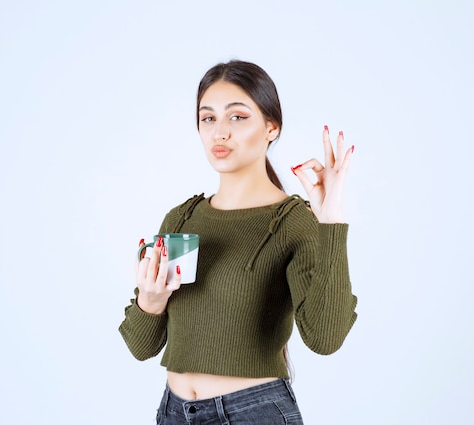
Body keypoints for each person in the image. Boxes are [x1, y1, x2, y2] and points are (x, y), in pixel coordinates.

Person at [119, 60, 358, 424]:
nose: (220, 133)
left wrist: (330, 223)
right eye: (208, 118)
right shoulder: (182, 219)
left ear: (271, 128)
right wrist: (150, 301)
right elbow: (141, 347)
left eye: (238, 117)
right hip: (173, 411)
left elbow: (325, 338)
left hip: (253, 413)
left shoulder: (293, 223)